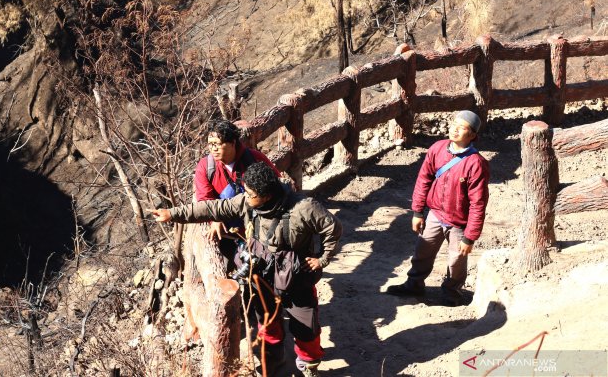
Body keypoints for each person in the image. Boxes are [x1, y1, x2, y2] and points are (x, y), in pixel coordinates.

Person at [152, 162, 342, 377]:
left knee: (306, 327)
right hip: (261, 275)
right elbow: (212, 208)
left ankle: (308, 367)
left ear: (267, 194)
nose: (247, 197)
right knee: (266, 321)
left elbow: (332, 228)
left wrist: (322, 259)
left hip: (296, 277)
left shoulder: (304, 207)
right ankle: (272, 361)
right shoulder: (247, 203)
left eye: (251, 194)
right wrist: (173, 213)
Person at [386, 110, 490, 306]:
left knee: (456, 261)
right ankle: (414, 284)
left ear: (473, 135)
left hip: (459, 223)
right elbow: (424, 179)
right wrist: (417, 211)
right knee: (423, 251)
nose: (455, 129)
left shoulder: (476, 164)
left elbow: (478, 203)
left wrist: (470, 236)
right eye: (454, 124)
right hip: (435, 214)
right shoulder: (437, 149)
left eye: (462, 127)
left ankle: (452, 293)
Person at [194, 119, 279, 253]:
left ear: (233, 143)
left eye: (217, 144)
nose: (213, 149)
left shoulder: (254, 158)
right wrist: (215, 219)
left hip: (260, 229)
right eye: (210, 144)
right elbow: (205, 199)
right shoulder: (206, 167)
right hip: (228, 233)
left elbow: (277, 184)